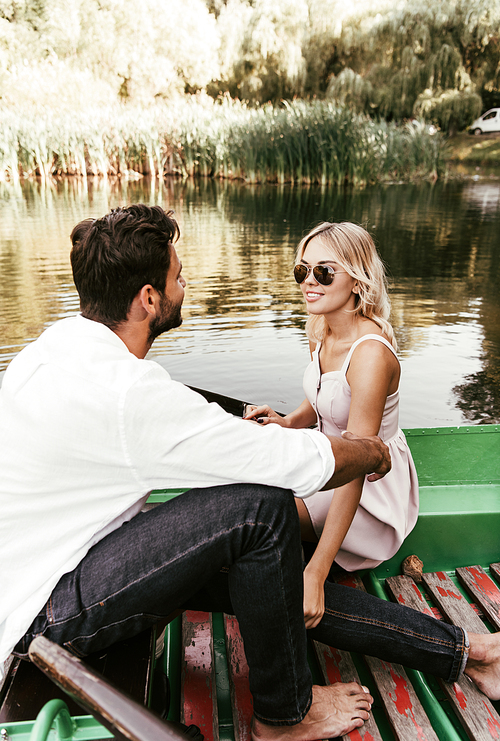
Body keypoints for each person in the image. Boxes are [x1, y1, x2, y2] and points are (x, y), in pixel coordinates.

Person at [0, 205, 499, 741]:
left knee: (262, 560)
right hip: (45, 609)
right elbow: (288, 462)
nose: (185, 283)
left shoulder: (58, 345)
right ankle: (284, 717)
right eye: (178, 276)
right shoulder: (130, 393)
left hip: (62, 563)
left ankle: (470, 652)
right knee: (262, 510)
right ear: (149, 299)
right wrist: (371, 455)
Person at [245, 221, 418, 629]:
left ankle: (301, 570)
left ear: (357, 282)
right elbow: (321, 398)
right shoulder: (320, 329)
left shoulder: (371, 355)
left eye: (324, 272)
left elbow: (359, 463)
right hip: (325, 457)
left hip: (367, 492)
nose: (309, 282)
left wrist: (316, 573)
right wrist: (288, 422)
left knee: (260, 511)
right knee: (244, 479)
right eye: (302, 270)